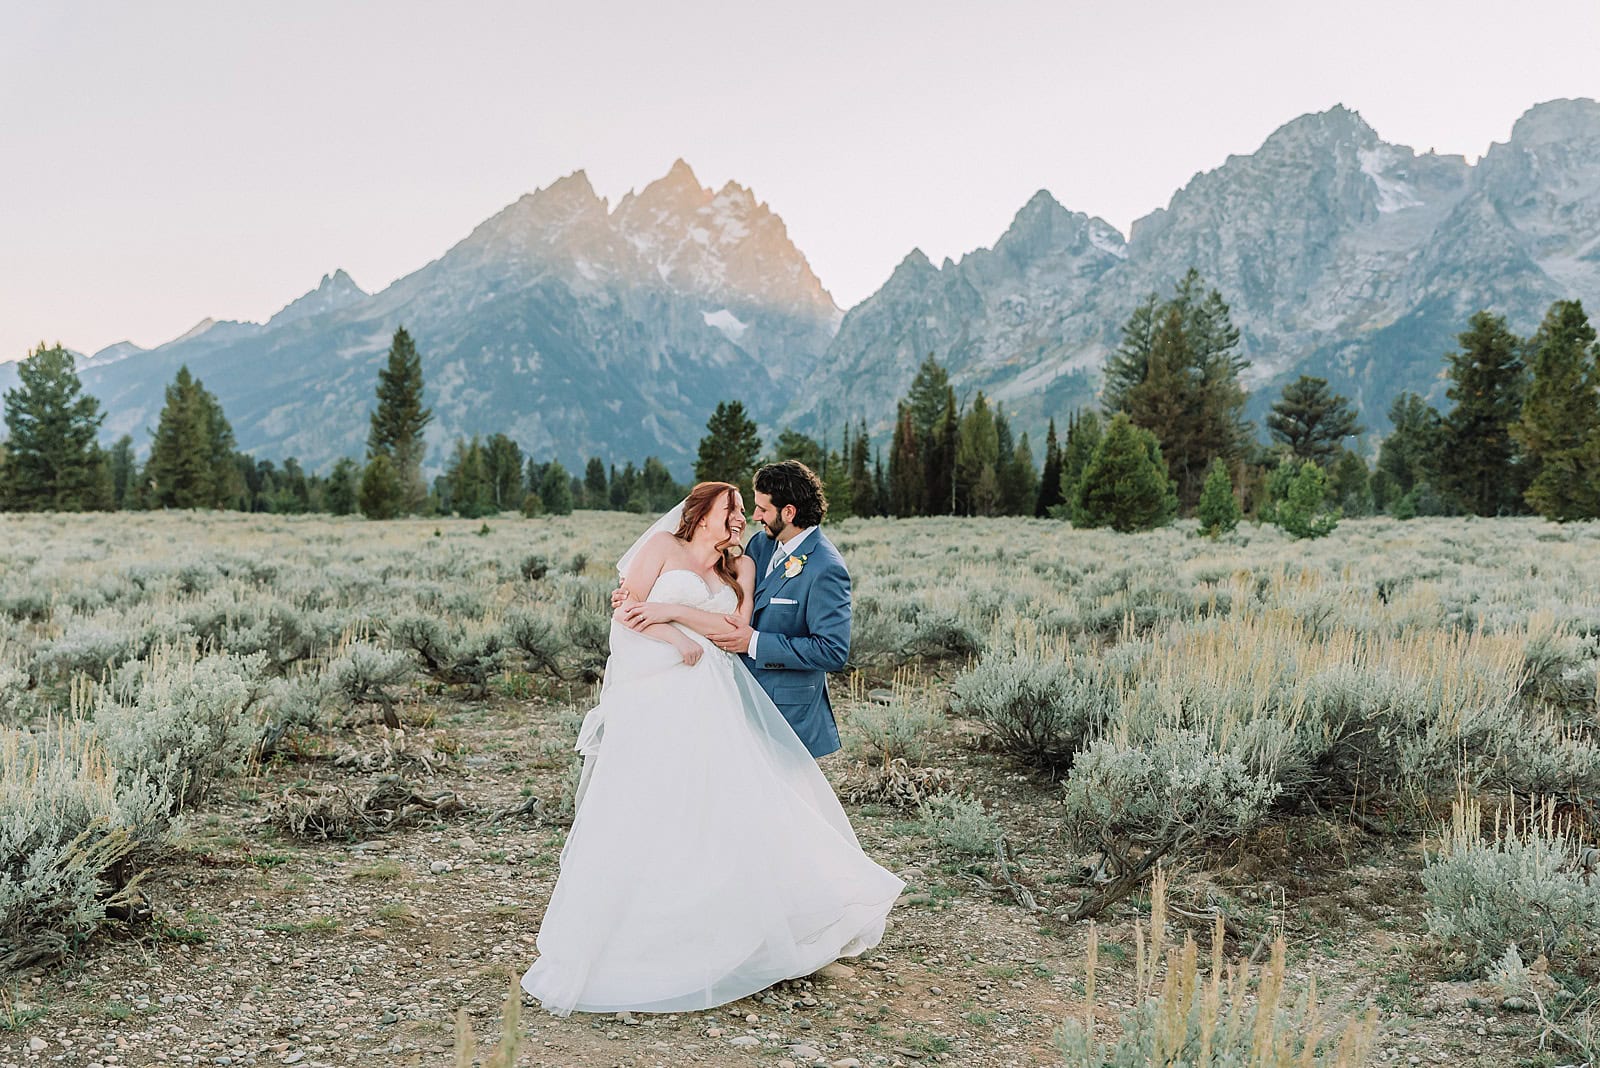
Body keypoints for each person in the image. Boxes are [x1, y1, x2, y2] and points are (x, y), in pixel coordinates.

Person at [519, 481, 903, 1017]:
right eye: (736, 509)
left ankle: (748, 928)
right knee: (653, 808)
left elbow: (734, 628)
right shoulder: (662, 549)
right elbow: (625, 615)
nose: (744, 518)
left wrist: (670, 614)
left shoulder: (741, 566)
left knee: (726, 805)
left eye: (752, 510)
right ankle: (647, 932)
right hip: (657, 692)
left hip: (714, 694)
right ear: (701, 515)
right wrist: (670, 634)